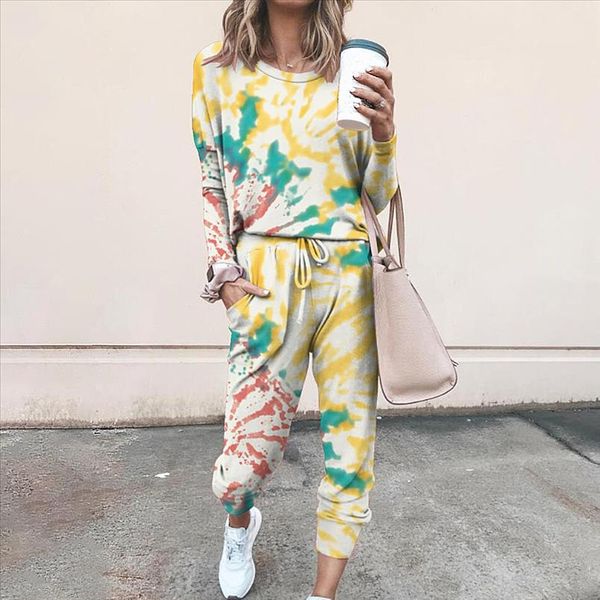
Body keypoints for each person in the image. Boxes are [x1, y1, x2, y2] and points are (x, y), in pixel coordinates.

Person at [191, 0, 398, 598]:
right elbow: (211, 179)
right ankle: (240, 524)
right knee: (243, 467)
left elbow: (378, 194)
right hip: (264, 280)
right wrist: (226, 275)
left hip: (348, 279)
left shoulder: (352, 67)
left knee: (351, 456)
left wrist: (384, 134)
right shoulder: (217, 68)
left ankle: (321, 595)